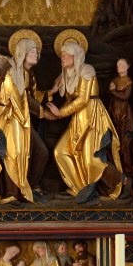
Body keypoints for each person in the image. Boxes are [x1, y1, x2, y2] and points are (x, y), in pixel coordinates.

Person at [46, 30, 124, 203]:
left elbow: (83, 99)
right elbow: (68, 100)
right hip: (77, 119)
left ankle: (121, 182)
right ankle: (80, 188)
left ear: (76, 56)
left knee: (92, 159)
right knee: (61, 152)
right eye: (62, 54)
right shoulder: (65, 75)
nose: (62, 57)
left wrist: (61, 113)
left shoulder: (87, 70)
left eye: (66, 55)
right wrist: (55, 111)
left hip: (92, 117)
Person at [0, 30, 51, 205]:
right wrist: (43, 113)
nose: (36, 55)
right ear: (23, 52)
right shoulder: (11, 71)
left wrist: (49, 94)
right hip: (9, 119)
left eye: (37, 52)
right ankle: (11, 193)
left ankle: (30, 186)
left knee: (41, 152)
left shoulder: (26, 73)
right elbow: (18, 99)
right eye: (32, 52)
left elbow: (30, 96)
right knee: (13, 153)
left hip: (23, 120)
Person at [108, 58, 133, 174]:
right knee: (115, 139)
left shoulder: (128, 81)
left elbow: (125, 96)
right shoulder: (114, 81)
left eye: (121, 64)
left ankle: (127, 167)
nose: (118, 66)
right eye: (117, 64)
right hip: (115, 112)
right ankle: (117, 166)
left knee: (125, 141)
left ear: (127, 66)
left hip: (124, 113)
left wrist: (113, 91)